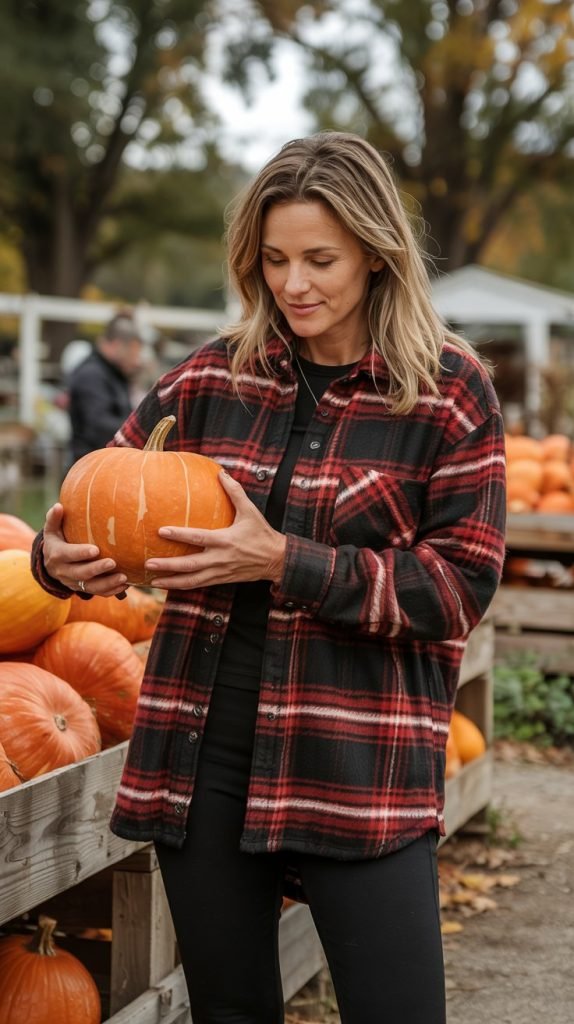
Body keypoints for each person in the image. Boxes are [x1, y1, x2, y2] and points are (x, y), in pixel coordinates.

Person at [31, 132, 506, 1024]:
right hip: (203, 751)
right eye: (276, 259)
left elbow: (455, 589)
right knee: (232, 1012)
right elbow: (102, 494)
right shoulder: (212, 377)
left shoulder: (447, 392)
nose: (296, 285)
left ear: (375, 252)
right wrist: (53, 563)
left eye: (321, 259)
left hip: (358, 756)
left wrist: (284, 560)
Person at [66, 312, 144, 463]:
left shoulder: (112, 374)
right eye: (133, 354)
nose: (136, 362)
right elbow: (98, 426)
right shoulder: (91, 376)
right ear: (116, 345)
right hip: (90, 469)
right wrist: (141, 428)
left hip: (106, 464)